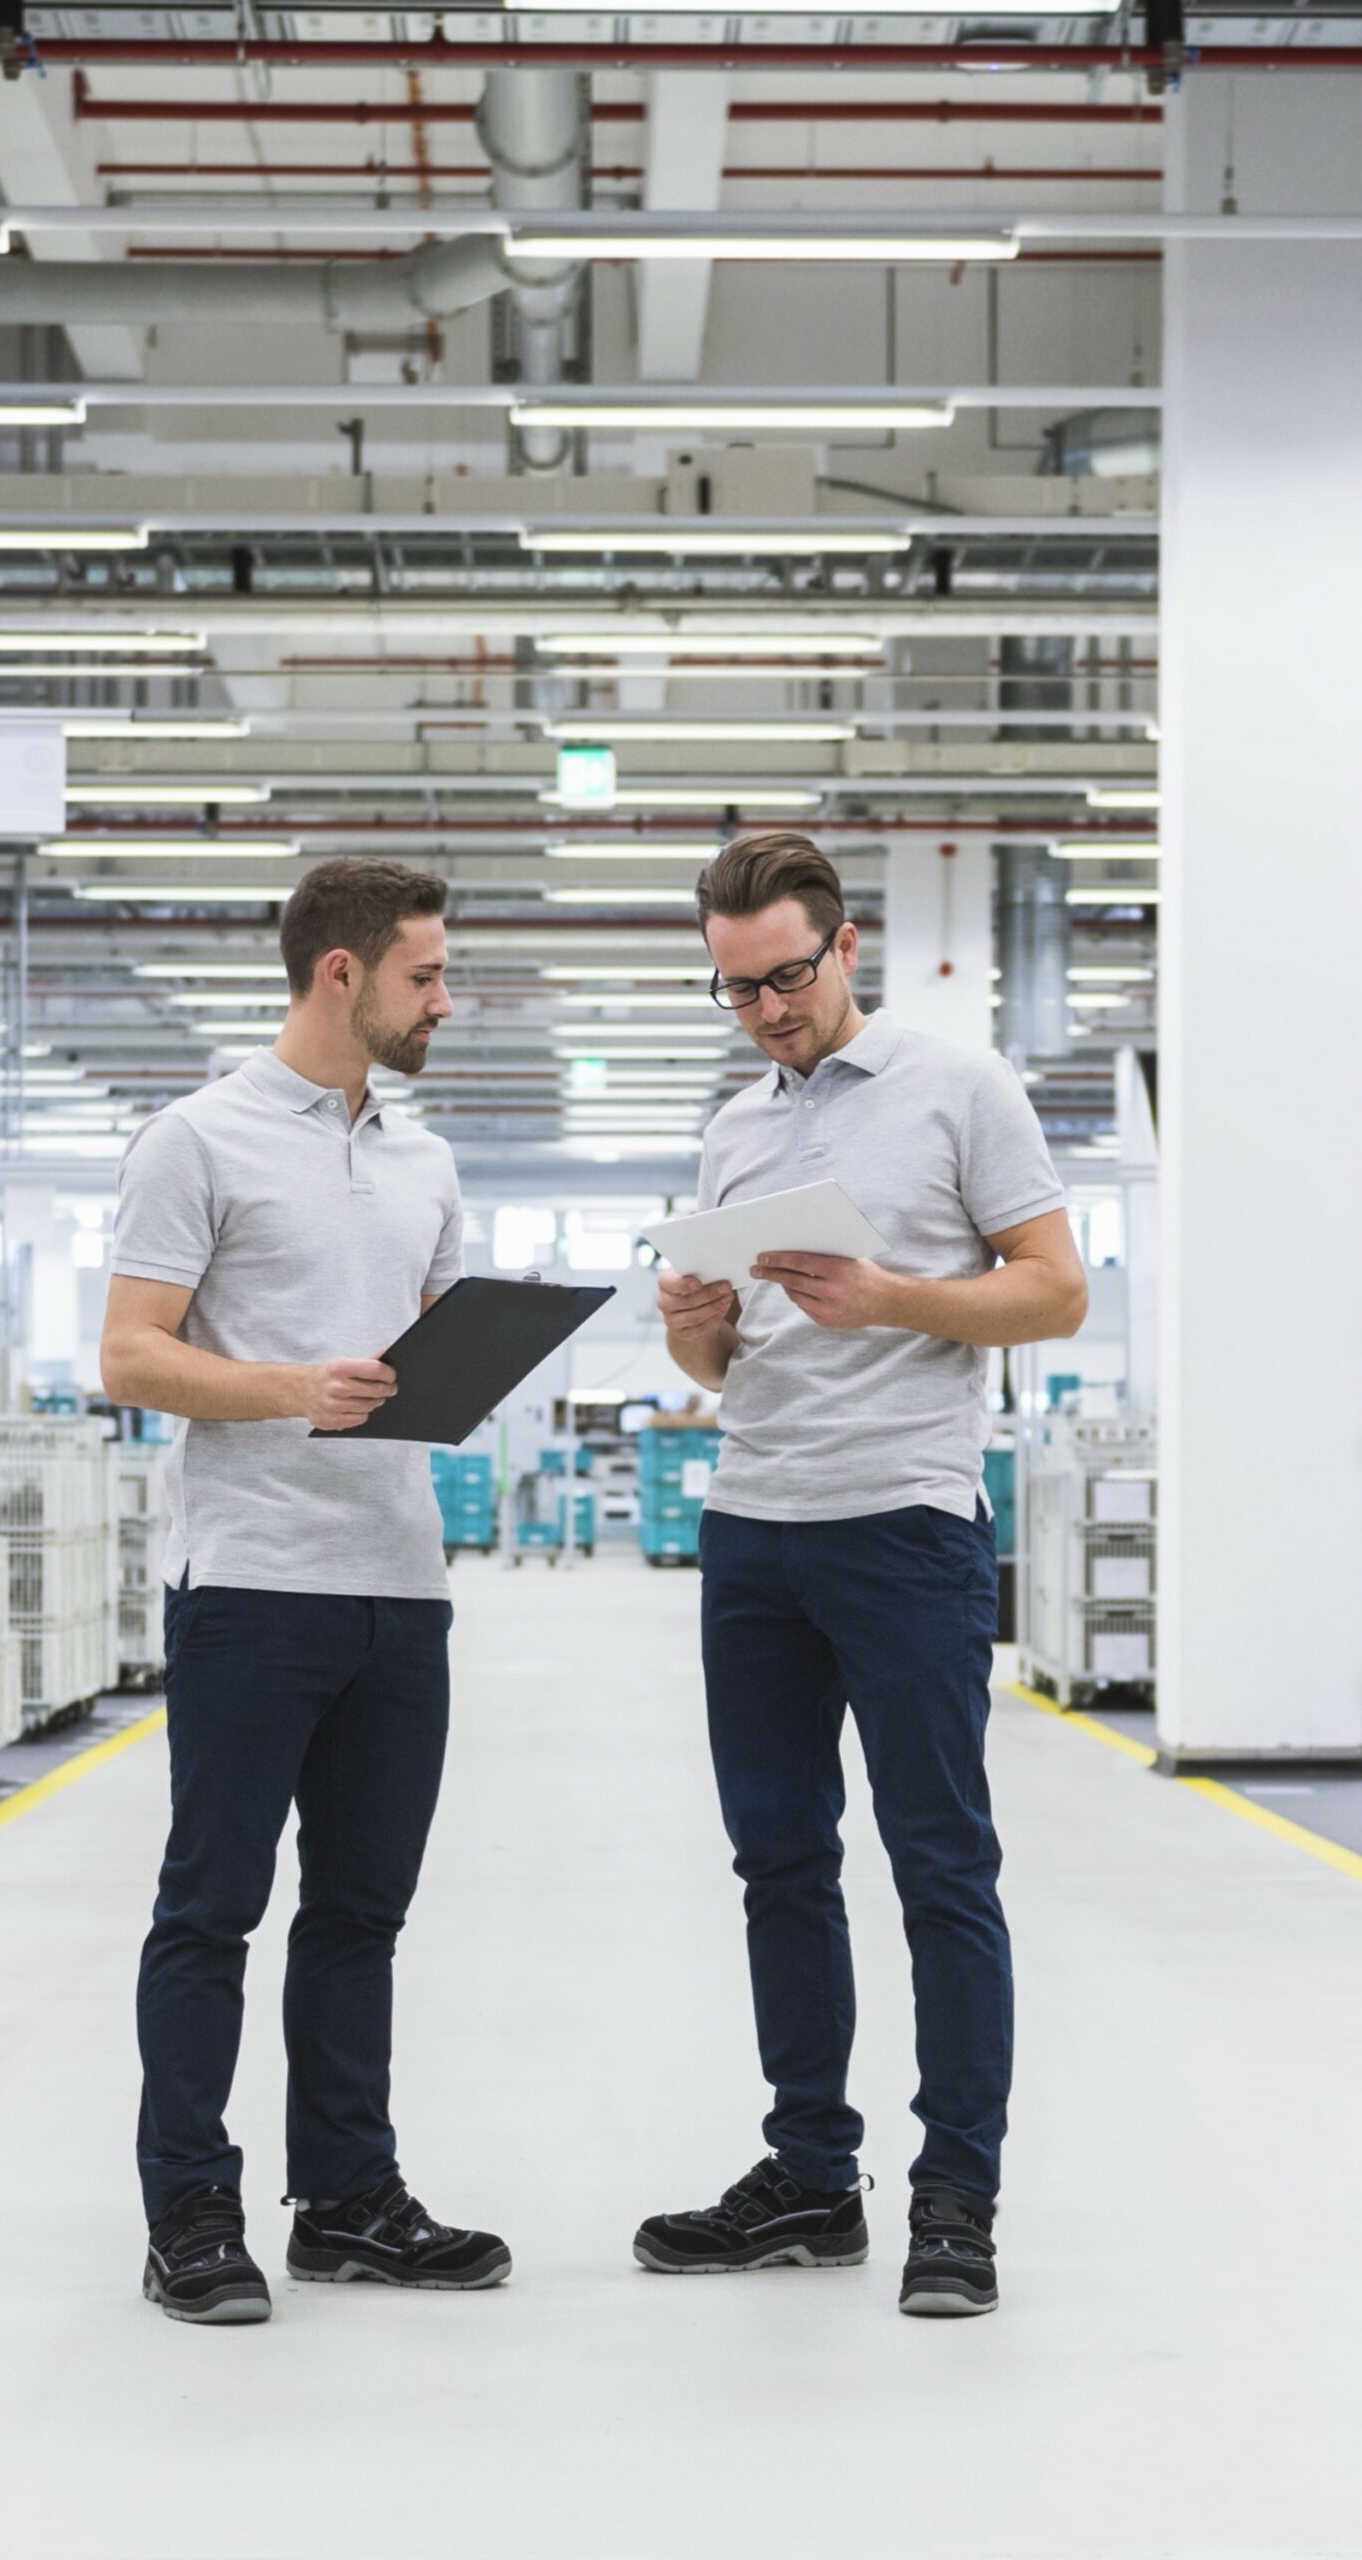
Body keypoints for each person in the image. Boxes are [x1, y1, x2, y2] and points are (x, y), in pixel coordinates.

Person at [633, 829, 1087, 2317]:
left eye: (785, 977)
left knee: (941, 1865)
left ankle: (958, 2194)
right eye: (735, 990)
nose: (766, 1010)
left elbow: (1055, 1289)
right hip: (755, 1530)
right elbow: (713, 1367)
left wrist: (891, 1294)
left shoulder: (961, 1089)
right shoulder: (734, 1130)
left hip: (904, 1525)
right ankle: (813, 2180)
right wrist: (694, 1318)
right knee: (780, 1867)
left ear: (846, 949)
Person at [102, 857, 510, 2326]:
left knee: (360, 1914)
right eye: (426, 976)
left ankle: (346, 2201)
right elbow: (134, 1355)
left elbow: (418, 1353)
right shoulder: (196, 1140)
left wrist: (466, 1367)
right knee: (211, 1909)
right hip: (255, 1580)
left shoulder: (424, 1159)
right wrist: (292, 1390)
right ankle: (191, 2215)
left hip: (400, 1581)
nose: (444, 1001)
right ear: (340, 973)